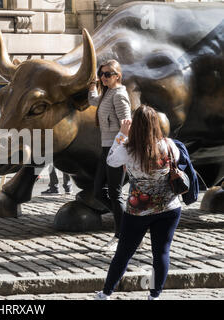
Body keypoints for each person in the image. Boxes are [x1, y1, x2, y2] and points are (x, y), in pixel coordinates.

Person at [94, 105, 182, 300]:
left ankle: (106, 293)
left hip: (138, 211)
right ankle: (155, 295)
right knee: (161, 253)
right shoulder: (169, 145)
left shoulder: (128, 149)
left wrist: (122, 134)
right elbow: (176, 161)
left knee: (123, 253)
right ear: (155, 125)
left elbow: (111, 161)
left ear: (135, 126)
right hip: (168, 207)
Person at [88, 59, 131, 251]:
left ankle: (122, 236)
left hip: (116, 147)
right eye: (101, 74)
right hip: (106, 147)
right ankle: (129, 222)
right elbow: (93, 101)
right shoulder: (107, 92)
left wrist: (121, 152)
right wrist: (92, 85)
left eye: (107, 74)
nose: (103, 77)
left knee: (115, 193)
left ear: (117, 75)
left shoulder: (119, 95)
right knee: (98, 191)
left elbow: (127, 124)